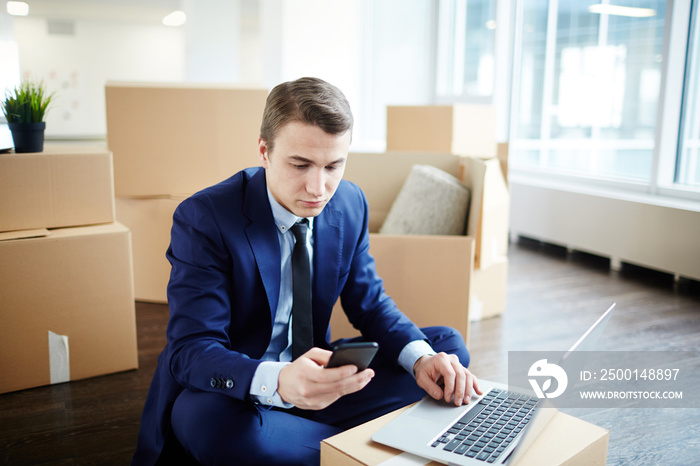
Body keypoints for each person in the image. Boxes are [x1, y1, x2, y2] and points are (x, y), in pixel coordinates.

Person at [132, 77, 481, 466]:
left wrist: (419, 359)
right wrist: (279, 381)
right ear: (264, 152)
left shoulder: (349, 203)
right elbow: (191, 349)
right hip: (244, 392)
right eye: (300, 165)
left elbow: (370, 304)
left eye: (334, 165)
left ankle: (311, 446)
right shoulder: (205, 217)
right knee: (207, 424)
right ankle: (353, 446)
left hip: (318, 381)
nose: (319, 187)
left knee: (444, 350)